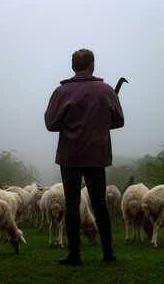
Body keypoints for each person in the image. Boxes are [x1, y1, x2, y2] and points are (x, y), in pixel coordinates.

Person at [44, 49, 124, 266]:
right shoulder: (106, 91)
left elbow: (51, 124)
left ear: (73, 67)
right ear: (91, 65)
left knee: (72, 204)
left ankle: (74, 254)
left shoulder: (61, 92)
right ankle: (108, 253)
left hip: (70, 155)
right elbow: (118, 121)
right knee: (99, 204)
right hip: (96, 156)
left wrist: (69, 124)